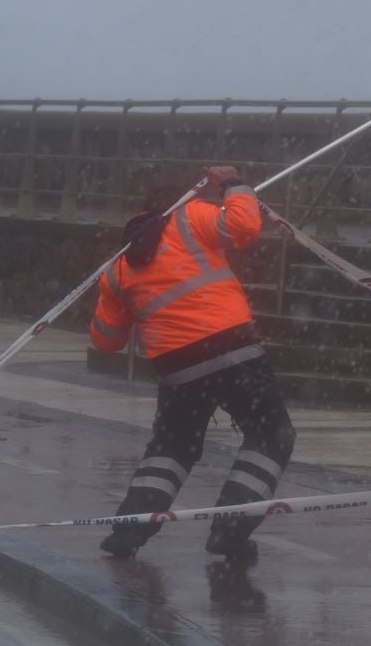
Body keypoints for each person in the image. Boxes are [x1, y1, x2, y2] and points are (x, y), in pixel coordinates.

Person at [90, 165, 295, 560]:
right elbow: (243, 228)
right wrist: (235, 185)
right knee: (272, 436)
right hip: (232, 348)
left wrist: (116, 296)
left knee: (174, 447)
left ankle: (129, 532)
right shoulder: (191, 216)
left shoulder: (120, 266)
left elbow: (106, 340)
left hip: (176, 365)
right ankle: (230, 531)